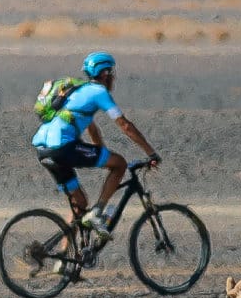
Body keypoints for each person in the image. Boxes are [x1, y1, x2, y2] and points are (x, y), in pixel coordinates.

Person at [32, 52, 160, 237]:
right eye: (112, 73)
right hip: (62, 147)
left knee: (79, 204)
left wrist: (101, 154)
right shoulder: (99, 92)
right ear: (105, 73)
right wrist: (151, 153)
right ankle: (98, 212)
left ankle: (62, 261)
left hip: (44, 149)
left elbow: (92, 129)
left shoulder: (78, 92)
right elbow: (125, 125)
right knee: (120, 164)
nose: (114, 77)